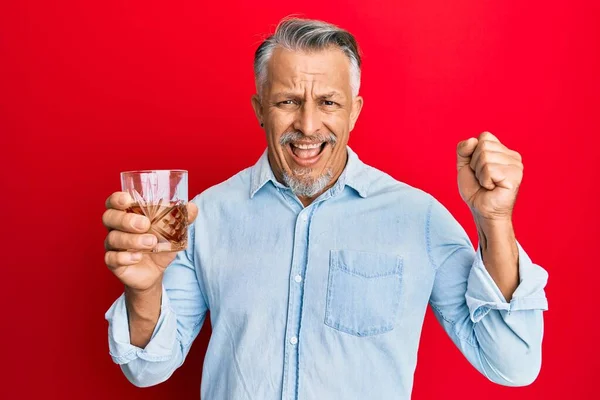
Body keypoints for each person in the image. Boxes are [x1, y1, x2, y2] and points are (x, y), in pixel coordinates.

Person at [103, 17, 548, 399]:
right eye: (288, 101)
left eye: (328, 103)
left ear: (354, 111)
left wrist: (495, 221)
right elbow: (147, 370)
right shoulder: (205, 217)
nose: (308, 125)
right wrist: (143, 291)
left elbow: (512, 363)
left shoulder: (420, 219)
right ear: (260, 109)